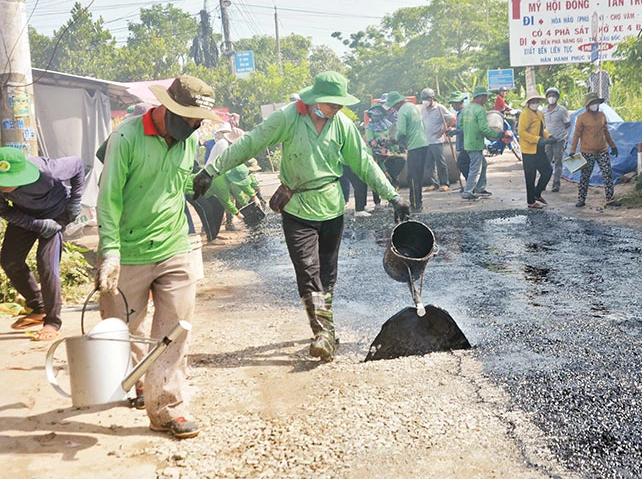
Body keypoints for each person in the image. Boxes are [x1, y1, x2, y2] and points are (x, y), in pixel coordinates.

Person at [193, 71, 410, 362]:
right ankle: (322, 333)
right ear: (314, 99)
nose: (336, 109)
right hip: (297, 208)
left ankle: (327, 328)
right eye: (331, 103)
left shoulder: (342, 125)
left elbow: (364, 162)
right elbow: (251, 143)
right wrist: (212, 170)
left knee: (327, 272)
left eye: (339, 104)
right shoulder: (287, 119)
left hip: (332, 208)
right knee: (307, 270)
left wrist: (393, 196)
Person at [95, 75, 221, 439]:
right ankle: (136, 379)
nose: (196, 125)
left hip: (175, 245)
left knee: (176, 328)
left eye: (199, 120)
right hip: (129, 249)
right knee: (123, 327)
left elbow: (175, 185)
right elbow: (109, 198)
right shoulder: (127, 137)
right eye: (190, 118)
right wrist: (110, 253)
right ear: (168, 108)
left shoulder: (190, 139)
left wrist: (196, 183)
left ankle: (167, 406)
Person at [0, 148, 84, 341]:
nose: (4, 187)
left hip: (56, 215)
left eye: (8, 183)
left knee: (47, 264)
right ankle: (38, 307)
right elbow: (4, 211)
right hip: (25, 216)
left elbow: (78, 165)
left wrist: (75, 202)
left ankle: (53, 322)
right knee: (10, 261)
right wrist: (36, 224)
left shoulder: (48, 171)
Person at [568, 92, 620, 208]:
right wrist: (572, 151)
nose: (595, 105)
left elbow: (606, 132)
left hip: (602, 150)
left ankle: (610, 199)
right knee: (585, 176)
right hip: (587, 151)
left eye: (596, 103)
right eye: (593, 103)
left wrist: (613, 146)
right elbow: (576, 135)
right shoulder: (581, 118)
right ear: (588, 105)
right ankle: (581, 199)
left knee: (607, 173)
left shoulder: (602, 115)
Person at [460, 86, 507, 201]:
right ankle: (468, 191)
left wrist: (471, 129)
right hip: (476, 143)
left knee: (483, 164)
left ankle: (480, 188)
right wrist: (497, 136)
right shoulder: (480, 110)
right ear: (480, 97)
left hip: (468, 142)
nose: (486, 99)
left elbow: (461, 125)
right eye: (485, 96)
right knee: (475, 168)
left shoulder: (467, 108)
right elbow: (484, 128)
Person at [384, 90, 428, 213]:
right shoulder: (413, 107)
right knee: (418, 175)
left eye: (393, 106)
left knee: (412, 177)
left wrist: (394, 140)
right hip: (423, 143)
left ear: (397, 103)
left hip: (414, 146)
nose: (394, 108)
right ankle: (419, 202)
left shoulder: (403, 110)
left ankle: (414, 205)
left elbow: (402, 131)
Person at [518, 91, 557, 209]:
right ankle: (531, 201)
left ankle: (537, 193)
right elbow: (522, 132)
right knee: (530, 176)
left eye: (536, 101)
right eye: (532, 101)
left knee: (547, 171)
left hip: (539, 149)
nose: (535, 103)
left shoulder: (540, 114)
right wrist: (537, 139)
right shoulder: (525, 115)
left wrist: (548, 136)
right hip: (528, 150)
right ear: (528, 103)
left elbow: (542, 129)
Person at [420, 88, 455, 193]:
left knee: (440, 163)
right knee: (429, 163)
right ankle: (434, 183)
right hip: (426, 141)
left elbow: (450, 118)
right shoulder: (423, 109)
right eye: (423, 99)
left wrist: (443, 131)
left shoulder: (440, 108)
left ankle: (444, 183)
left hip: (437, 140)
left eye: (426, 99)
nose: (424, 101)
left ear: (432, 98)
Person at [543, 87, 571, 192]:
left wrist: (561, 134)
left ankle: (556, 184)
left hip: (559, 140)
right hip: (547, 140)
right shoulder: (543, 110)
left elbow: (567, 123)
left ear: (557, 97)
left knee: (558, 163)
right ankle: (544, 182)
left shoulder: (562, 110)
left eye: (553, 95)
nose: (551, 98)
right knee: (546, 162)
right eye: (549, 96)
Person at [445, 91, 470, 184]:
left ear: (458, 103)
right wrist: (452, 131)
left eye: (453, 104)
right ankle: (470, 185)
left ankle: (471, 185)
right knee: (464, 164)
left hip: (467, 144)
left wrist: (456, 131)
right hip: (463, 143)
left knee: (462, 163)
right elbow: (460, 127)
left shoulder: (466, 112)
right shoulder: (459, 113)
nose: (452, 106)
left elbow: (468, 129)